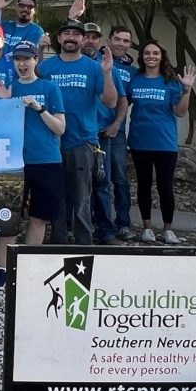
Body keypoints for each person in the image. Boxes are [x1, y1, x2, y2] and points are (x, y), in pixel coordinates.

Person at [0, 42, 65, 300]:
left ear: (36, 60)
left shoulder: (49, 88)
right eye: (18, 59)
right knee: (7, 216)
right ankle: (3, 269)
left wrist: (39, 108)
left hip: (46, 160)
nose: (22, 63)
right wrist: (6, 104)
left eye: (27, 59)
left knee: (39, 217)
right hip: (13, 162)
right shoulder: (9, 88)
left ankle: (28, 267)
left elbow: (60, 128)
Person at [37, 19, 117, 245]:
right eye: (66, 33)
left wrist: (108, 74)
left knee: (82, 198)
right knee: (57, 196)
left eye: (76, 34)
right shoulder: (46, 68)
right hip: (50, 142)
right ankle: (59, 239)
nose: (71, 37)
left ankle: (85, 242)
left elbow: (110, 102)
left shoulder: (94, 68)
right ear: (59, 39)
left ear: (83, 39)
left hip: (82, 141)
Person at [124, 40, 196, 244]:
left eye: (155, 53)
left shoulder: (171, 82)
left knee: (165, 186)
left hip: (164, 143)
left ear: (162, 56)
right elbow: (122, 103)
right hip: (140, 142)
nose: (151, 56)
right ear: (142, 57)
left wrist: (187, 90)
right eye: (147, 53)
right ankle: (147, 228)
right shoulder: (135, 80)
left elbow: (180, 112)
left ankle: (168, 229)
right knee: (144, 186)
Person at [82, 23, 120, 244]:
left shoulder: (106, 66)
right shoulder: (71, 63)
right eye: (85, 36)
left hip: (101, 135)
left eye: (94, 37)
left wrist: (116, 123)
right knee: (77, 186)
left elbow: (120, 99)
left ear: (100, 41)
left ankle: (105, 229)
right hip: (76, 135)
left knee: (102, 184)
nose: (89, 40)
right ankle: (76, 228)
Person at [103, 25, 137, 239]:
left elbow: (127, 100)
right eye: (117, 39)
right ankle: (100, 222)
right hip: (92, 128)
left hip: (116, 131)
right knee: (98, 180)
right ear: (109, 40)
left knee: (120, 179)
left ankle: (123, 223)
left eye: (125, 41)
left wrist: (117, 123)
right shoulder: (98, 61)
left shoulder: (132, 72)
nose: (121, 44)